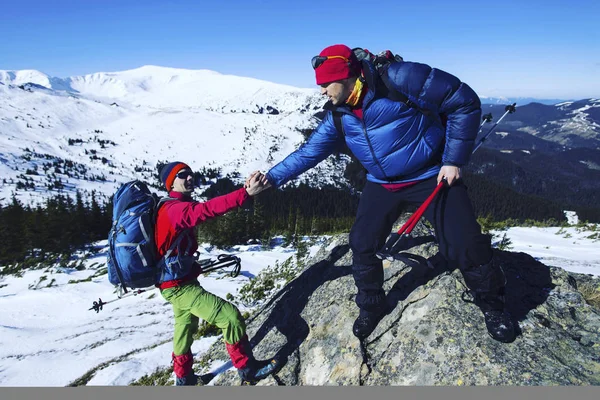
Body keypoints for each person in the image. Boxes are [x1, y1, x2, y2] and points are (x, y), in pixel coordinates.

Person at [260, 44, 516, 343]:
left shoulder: (400, 78)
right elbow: (308, 154)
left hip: (430, 175)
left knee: (464, 243)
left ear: (347, 78)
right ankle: (372, 305)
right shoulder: (339, 115)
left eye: (325, 84)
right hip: (381, 184)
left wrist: (453, 160)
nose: (321, 92)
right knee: (362, 243)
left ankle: (493, 306)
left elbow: (463, 101)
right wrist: (270, 179)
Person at [155, 162, 278, 385]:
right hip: (178, 287)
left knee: (184, 329)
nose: (189, 177)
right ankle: (248, 369)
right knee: (230, 317)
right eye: (182, 175)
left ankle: (184, 381)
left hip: (178, 281)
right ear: (171, 182)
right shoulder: (175, 209)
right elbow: (207, 210)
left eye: (191, 173)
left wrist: (191, 267)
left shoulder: (174, 205)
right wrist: (245, 194)